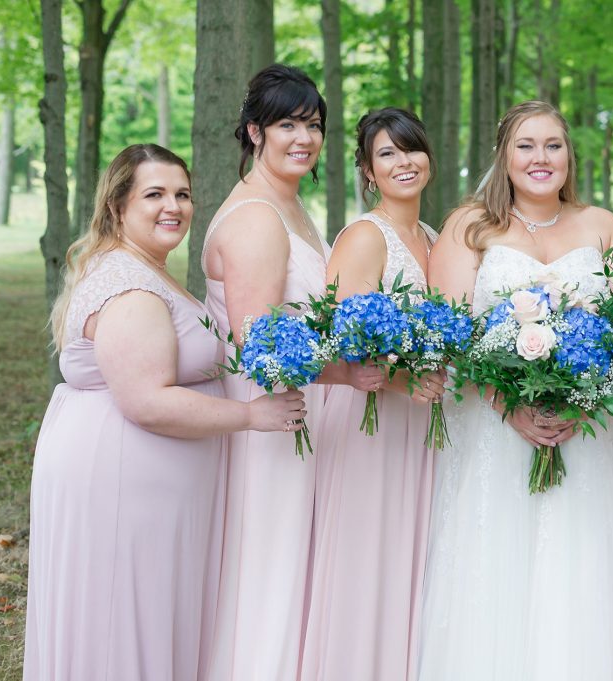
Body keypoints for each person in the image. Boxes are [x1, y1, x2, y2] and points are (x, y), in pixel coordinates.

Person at [24, 144, 305, 681]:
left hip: (145, 489)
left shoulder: (145, 270)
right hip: (124, 484)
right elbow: (147, 400)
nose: (172, 206)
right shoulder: (131, 286)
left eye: (182, 194)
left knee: (141, 625)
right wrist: (253, 416)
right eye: (154, 194)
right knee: (121, 632)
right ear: (118, 206)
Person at [416, 101, 613, 680]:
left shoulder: (603, 225)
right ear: (503, 155)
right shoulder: (469, 225)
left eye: (553, 145)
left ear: (570, 154)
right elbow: (453, 333)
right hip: (495, 430)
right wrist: (508, 404)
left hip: (583, 430)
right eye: (526, 145)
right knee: (497, 573)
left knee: (578, 570)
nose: (541, 158)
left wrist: (583, 397)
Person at [200, 64, 356, 681]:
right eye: (287, 123)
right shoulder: (256, 217)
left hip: (303, 410)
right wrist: (348, 372)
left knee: (299, 566)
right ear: (254, 132)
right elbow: (260, 346)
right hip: (273, 418)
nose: (304, 138)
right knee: (273, 567)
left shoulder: (290, 207)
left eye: (313, 125)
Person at [300, 108, 443, 681]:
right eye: (386, 154)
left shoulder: (433, 238)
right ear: (366, 170)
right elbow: (344, 343)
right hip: (375, 426)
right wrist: (407, 377)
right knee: (369, 566)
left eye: (410, 149)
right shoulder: (365, 236)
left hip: (424, 425)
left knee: (413, 566)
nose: (402, 162)